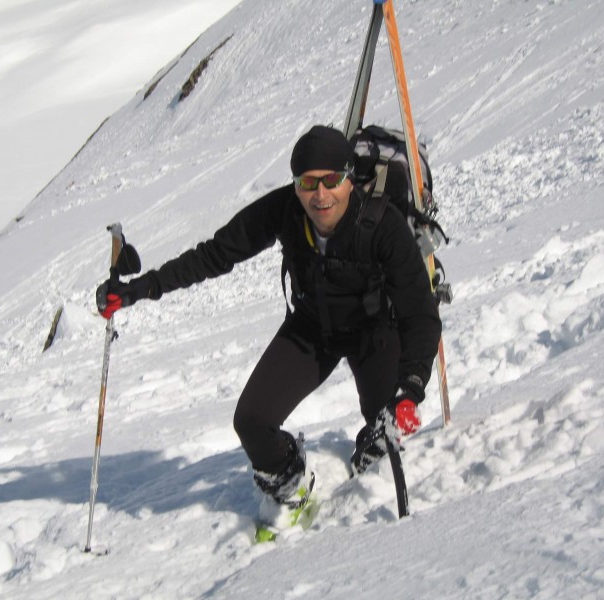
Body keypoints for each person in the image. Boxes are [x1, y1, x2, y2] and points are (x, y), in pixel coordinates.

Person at [96, 125, 441, 508]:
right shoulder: (284, 210)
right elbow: (215, 255)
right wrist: (142, 288)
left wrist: (410, 389)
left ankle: (366, 474)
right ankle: (293, 488)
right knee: (252, 423)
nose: (320, 195)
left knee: (385, 432)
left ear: (349, 181)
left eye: (332, 180)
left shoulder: (384, 225)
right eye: (309, 183)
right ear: (295, 185)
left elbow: (420, 314)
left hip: (376, 332)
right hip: (313, 329)